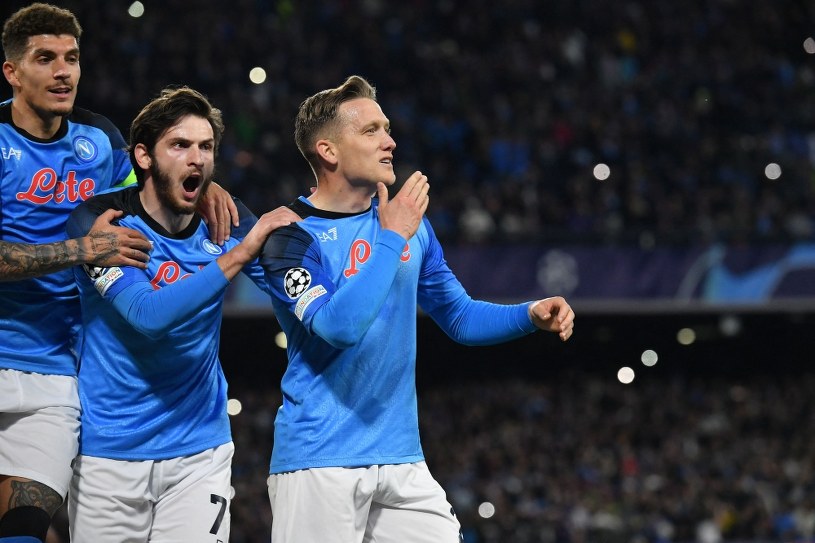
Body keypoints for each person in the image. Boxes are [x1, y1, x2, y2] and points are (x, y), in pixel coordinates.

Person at [261, 74, 575, 542]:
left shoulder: (411, 227)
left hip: (402, 458)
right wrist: (392, 237)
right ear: (328, 151)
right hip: (319, 461)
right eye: (371, 131)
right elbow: (339, 327)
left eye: (387, 129)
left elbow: (460, 317)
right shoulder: (289, 236)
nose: (389, 141)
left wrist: (528, 314)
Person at [0, 5, 238, 543]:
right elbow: (88, 245)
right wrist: (80, 250)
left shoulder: (100, 140)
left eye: (72, 58)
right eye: (45, 59)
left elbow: (153, 187)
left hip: (56, 372)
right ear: (12, 71)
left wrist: (203, 182)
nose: (64, 72)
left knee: (25, 525)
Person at [65, 85, 299, 542]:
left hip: (199, 453)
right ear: (143, 156)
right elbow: (147, 315)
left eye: (205, 147)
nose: (196, 159)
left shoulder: (227, 222)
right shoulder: (100, 222)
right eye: (180, 145)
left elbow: (301, 290)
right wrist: (237, 256)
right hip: (109, 454)